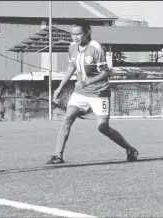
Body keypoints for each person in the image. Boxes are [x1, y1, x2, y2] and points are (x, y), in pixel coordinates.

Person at [47, 19, 138, 164]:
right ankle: (58, 155)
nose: (75, 37)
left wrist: (88, 81)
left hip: (99, 92)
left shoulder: (96, 48)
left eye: (78, 34)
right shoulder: (72, 47)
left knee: (103, 127)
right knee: (67, 119)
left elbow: (105, 73)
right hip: (80, 92)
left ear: (87, 32)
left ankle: (129, 149)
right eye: (72, 34)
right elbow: (71, 67)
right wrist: (59, 87)